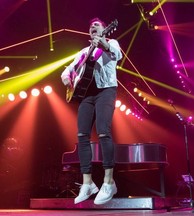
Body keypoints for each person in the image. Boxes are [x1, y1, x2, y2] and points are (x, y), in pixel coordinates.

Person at [61, 17, 122, 205]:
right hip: (86, 94)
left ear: (105, 29)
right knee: (81, 136)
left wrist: (103, 43)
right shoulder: (83, 52)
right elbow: (69, 68)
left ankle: (109, 181)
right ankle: (88, 183)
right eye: (90, 26)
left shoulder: (111, 42)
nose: (92, 27)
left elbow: (117, 55)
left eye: (96, 25)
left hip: (106, 90)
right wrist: (66, 76)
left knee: (103, 132)